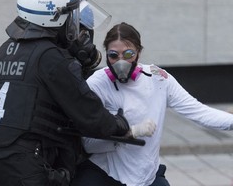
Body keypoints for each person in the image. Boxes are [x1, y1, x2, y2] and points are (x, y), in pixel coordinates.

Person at [0, 0, 134, 186]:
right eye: (71, 16)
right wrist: (120, 125)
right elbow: (89, 115)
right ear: (55, 18)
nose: (73, 23)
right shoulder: (51, 57)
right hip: (23, 166)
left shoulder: (6, 50)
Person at [71, 22, 233, 186]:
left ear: (139, 53)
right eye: (113, 55)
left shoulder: (158, 79)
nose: (121, 62)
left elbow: (199, 112)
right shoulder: (97, 84)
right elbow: (89, 144)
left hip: (146, 176)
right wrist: (128, 133)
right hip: (105, 173)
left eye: (128, 54)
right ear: (106, 54)